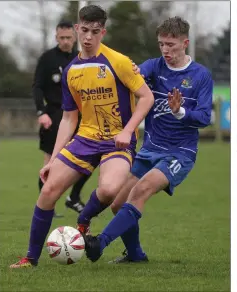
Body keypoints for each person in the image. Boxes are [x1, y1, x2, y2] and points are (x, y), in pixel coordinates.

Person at [10, 4, 155, 268]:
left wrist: (127, 129)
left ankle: (84, 219)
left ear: (103, 32)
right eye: (84, 30)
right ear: (77, 29)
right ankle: (30, 258)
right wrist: (52, 160)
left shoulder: (119, 62)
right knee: (49, 190)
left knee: (110, 190)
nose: (88, 37)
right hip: (85, 139)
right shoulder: (71, 71)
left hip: (117, 141)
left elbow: (147, 97)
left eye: (95, 31)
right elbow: (68, 118)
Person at [83, 16, 213, 263]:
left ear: (185, 43)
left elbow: (206, 118)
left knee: (141, 190)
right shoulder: (154, 67)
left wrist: (180, 112)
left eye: (171, 45)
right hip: (149, 149)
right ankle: (135, 255)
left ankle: (100, 243)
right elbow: (127, 79)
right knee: (117, 204)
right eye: (161, 44)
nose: (165, 50)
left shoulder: (201, 76)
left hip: (180, 152)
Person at [32, 20, 89, 216]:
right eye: (61, 38)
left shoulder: (81, 58)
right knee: (50, 162)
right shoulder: (47, 59)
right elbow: (37, 86)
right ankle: (46, 205)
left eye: (68, 38)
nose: (65, 41)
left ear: (74, 37)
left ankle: (73, 197)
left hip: (79, 116)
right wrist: (42, 112)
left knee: (87, 160)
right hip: (55, 115)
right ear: (56, 37)